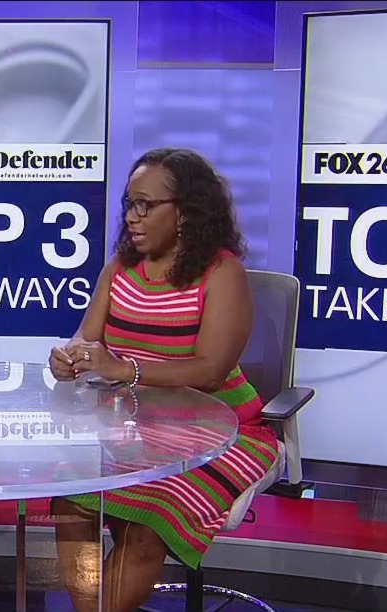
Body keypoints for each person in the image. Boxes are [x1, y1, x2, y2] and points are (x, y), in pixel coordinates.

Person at [47, 148, 280, 612]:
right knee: (69, 501)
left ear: (186, 213)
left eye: (146, 205)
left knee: (148, 520)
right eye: (129, 203)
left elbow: (211, 371)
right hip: (131, 430)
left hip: (223, 432)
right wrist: (70, 358)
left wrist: (125, 369)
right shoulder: (119, 268)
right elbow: (86, 340)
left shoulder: (222, 273)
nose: (132, 216)